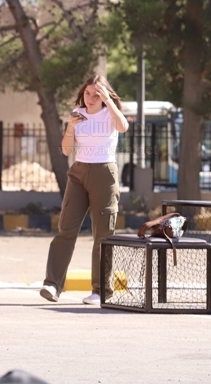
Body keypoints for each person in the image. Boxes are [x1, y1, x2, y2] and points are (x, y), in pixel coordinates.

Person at [39, 75, 128, 305]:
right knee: (65, 229)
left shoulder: (110, 114)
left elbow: (123, 127)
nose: (90, 98)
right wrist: (70, 126)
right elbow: (67, 150)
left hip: (104, 173)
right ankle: (52, 284)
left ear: (104, 95)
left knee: (103, 234)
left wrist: (109, 101)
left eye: (96, 94)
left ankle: (100, 290)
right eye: (87, 93)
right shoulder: (78, 115)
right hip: (78, 173)